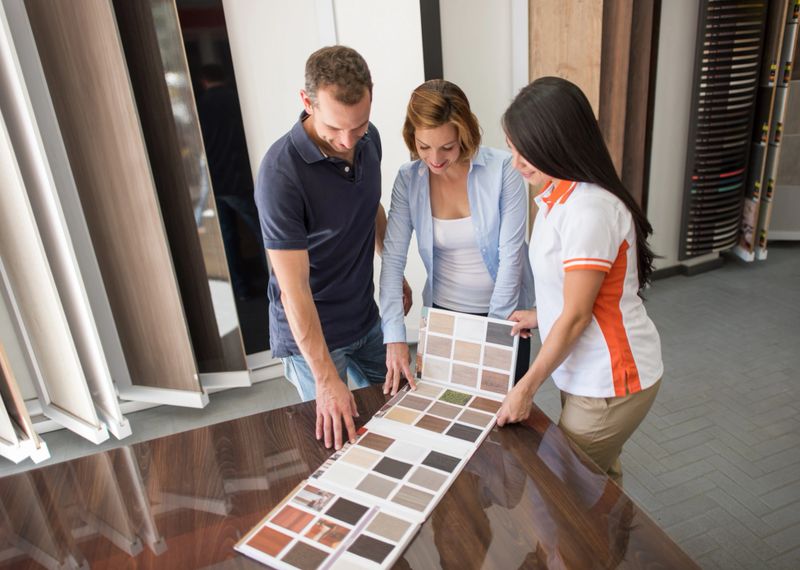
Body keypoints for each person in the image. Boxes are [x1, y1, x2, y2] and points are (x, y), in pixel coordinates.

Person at [496, 76, 663, 486]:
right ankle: (616, 547)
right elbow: (574, 290)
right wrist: (541, 313)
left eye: (526, 151)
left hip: (610, 379)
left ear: (558, 141)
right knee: (598, 479)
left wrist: (525, 389)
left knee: (563, 488)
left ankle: (602, 549)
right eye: (513, 148)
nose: (516, 161)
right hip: (586, 372)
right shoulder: (561, 194)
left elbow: (576, 316)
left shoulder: (589, 209)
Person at [255, 46, 400, 450]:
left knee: (402, 408)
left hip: (364, 317)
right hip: (313, 337)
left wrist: (392, 266)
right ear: (307, 101)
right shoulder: (280, 175)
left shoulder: (368, 142)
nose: (348, 140)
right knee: (340, 442)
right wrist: (325, 378)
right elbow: (293, 290)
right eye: (336, 128)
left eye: (360, 125)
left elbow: (369, 204)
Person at [380, 79, 534, 394]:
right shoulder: (408, 180)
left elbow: (511, 256)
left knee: (501, 419)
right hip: (442, 318)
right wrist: (394, 335)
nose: (435, 159)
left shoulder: (502, 170)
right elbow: (393, 260)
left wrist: (494, 332)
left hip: (503, 315)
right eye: (424, 147)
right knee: (444, 409)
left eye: (447, 147)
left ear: (464, 134)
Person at [196, 64, 267, 300]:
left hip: (216, 179)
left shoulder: (201, 105)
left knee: (228, 237)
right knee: (263, 232)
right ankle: (272, 283)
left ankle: (240, 289)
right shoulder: (236, 100)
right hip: (237, 177)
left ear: (204, 81)